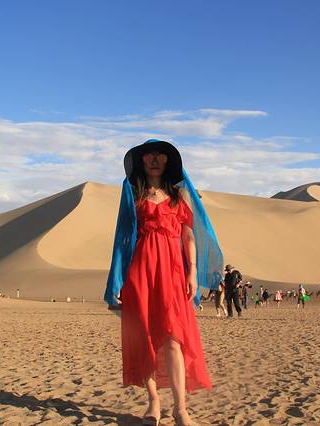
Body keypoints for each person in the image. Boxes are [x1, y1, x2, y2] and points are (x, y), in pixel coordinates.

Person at [104, 139, 223, 426]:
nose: (155, 160)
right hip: (140, 271)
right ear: (142, 161)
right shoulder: (133, 193)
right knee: (144, 339)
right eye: (149, 155)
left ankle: (181, 408)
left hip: (173, 271)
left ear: (168, 161)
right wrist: (117, 279)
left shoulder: (180, 195)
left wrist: (192, 272)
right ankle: (153, 402)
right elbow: (122, 237)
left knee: (173, 339)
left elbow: (188, 235)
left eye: (161, 155)